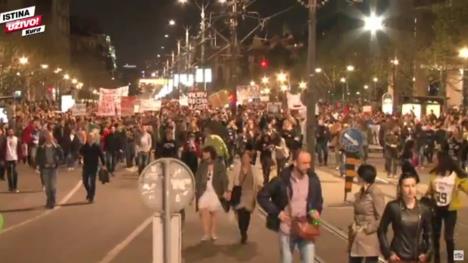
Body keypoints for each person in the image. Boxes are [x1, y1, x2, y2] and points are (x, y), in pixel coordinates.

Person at [257, 150, 323, 263]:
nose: (308, 166)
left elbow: (318, 201)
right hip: (287, 230)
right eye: (304, 163)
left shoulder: (313, 180)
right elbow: (262, 196)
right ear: (295, 162)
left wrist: (316, 211)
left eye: (309, 163)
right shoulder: (281, 180)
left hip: (306, 229)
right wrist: (278, 213)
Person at [378, 172, 432, 263]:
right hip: (398, 257)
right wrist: (388, 253)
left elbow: (429, 234)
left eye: (413, 185)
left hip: (418, 258)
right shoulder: (393, 207)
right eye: (406, 186)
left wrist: (427, 253)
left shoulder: (424, 208)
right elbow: (382, 230)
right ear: (400, 188)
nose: (410, 190)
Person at [426, 151, 468, 263]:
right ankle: (437, 259)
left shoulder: (456, 176)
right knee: (435, 236)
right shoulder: (433, 174)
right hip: (435, 209)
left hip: (450, 210)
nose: (433, 161)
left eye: (435, 159)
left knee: (449, 237)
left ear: (442, 161)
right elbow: (429, 191)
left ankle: (452, 259)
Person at [348, 164, 385, 263]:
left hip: (369, 238)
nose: (356, 177)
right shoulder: (362, 191)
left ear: (362, 177)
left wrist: (368, 228)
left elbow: (382, 217)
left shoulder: (376, 193)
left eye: (358, 175)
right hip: (357, 236)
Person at [195, 146, 229, 241]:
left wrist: (226, 190)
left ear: (211, 154)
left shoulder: (219, 165)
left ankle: (213, 232)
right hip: (204, 191)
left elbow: (224, 178)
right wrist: (196, 189)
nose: (204, 154)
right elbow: (197, 178)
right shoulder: (202, 165)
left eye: (206, 152)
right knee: (203, 210)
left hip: (215, 191)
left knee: (213, 213)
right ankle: (206, 233)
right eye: (203, 153)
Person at [227, 150, 259, 244]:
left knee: (247, 215)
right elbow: (231, 179)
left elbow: (257, 182)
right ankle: (243, 232)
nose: (244, 159)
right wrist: (229, 191)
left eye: (246, 157)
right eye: (243, 157)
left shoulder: (254, 169)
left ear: (250, 159)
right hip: (239, 193)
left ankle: (244, 229)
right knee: (241, 214)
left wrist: (258, 190)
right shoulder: (237, 168)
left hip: (249, 194)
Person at [36, 132, 62, 209]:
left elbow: (61, 156)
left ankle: (52, 202)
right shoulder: (41, 148)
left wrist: (57, 163)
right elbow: (38, 158)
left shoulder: (56, 147)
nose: (49, 139)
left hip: (54, 169)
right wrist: (40, 165)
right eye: (47, 137)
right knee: (47, 187)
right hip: (45, 169)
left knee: (53, 186)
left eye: (50, 137)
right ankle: (48, 200)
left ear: (52, 138)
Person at [80, 132, 106, 203]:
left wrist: (104, 164)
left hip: (94, 166)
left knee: (92, 182)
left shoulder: (96, 146)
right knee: (85, 181)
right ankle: (89, 192)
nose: (90, 138)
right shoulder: (84, 146)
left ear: (93, 138)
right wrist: (81, 159)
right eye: (88, 137)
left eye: (91, 137)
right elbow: (80, 154)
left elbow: (101, 155)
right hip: (86, 166)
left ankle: (92, 197)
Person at [5, 128, 21, 192]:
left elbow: (19, 149)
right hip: (7, 157)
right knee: (9, 173)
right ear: (8, 133)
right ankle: (10, 187)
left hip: (14, 157)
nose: (11, 133)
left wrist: (19, 157)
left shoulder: (16, 139)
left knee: (14, 172)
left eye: (12, 131)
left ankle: (15, 187)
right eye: (9, 132)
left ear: (13, 132)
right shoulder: (6, 139)